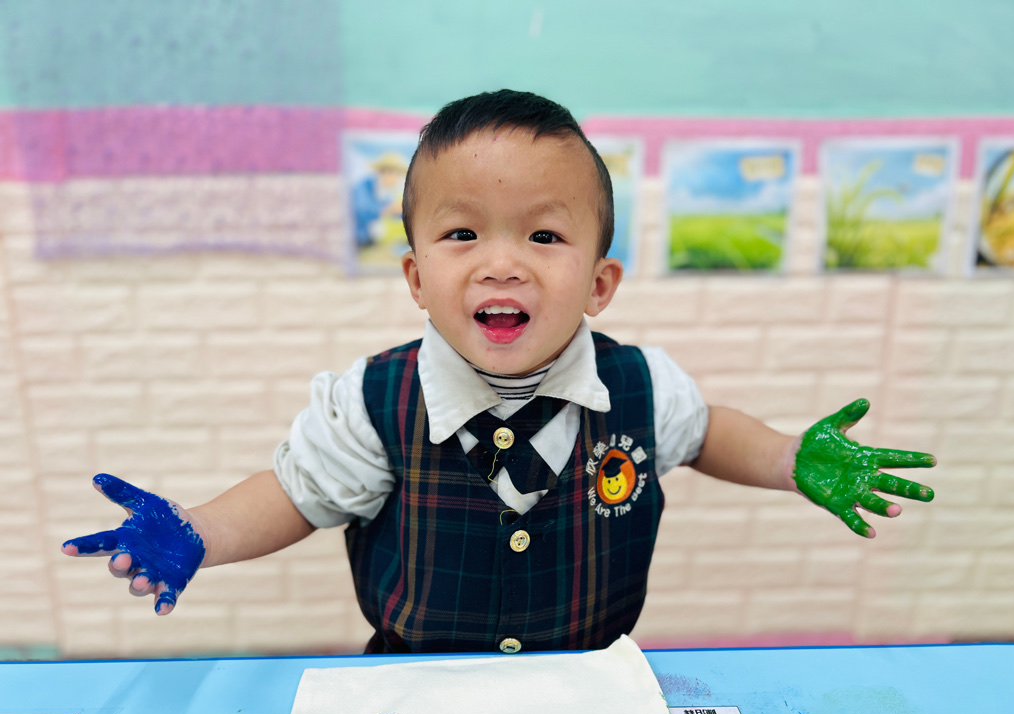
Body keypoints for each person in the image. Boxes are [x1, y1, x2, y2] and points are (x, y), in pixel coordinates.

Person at [61, 90, 936, 654]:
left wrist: (787, 457)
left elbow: (707, 433)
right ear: (416, 277)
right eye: (463, 234)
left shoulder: (640, 388)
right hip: (411, 686)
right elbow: (293, 494)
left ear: (600, 284)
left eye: (544, 235)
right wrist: (200, 532)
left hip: (588, 679)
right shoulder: (371, 403)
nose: (503, 264)